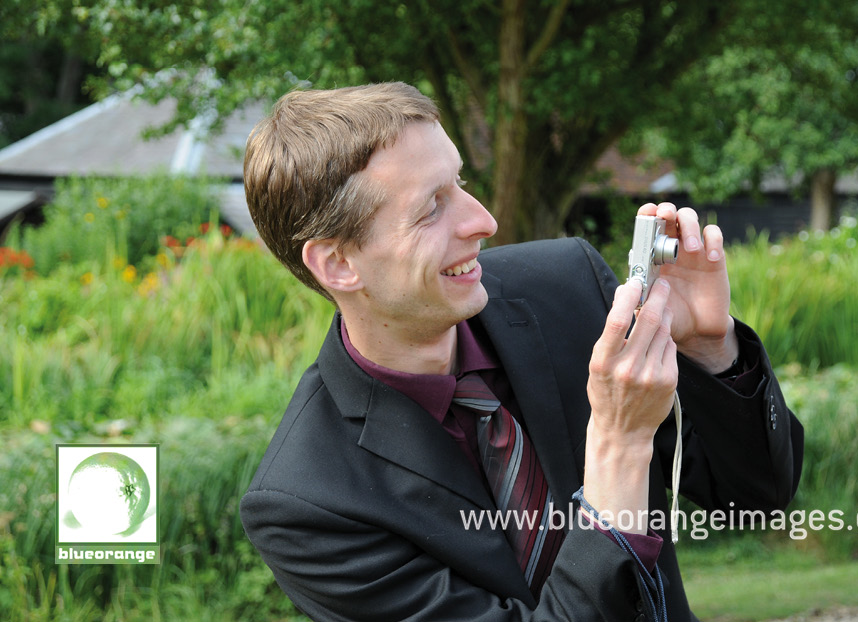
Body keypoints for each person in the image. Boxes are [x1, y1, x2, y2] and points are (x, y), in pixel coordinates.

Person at [239, 82, 803, 622]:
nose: (483, 220)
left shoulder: (569, 288)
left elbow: (755, 497)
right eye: (432, 208)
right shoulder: (306, 504)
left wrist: (712, 351)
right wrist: (619, 443)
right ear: (338, 264)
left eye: (459, 183)